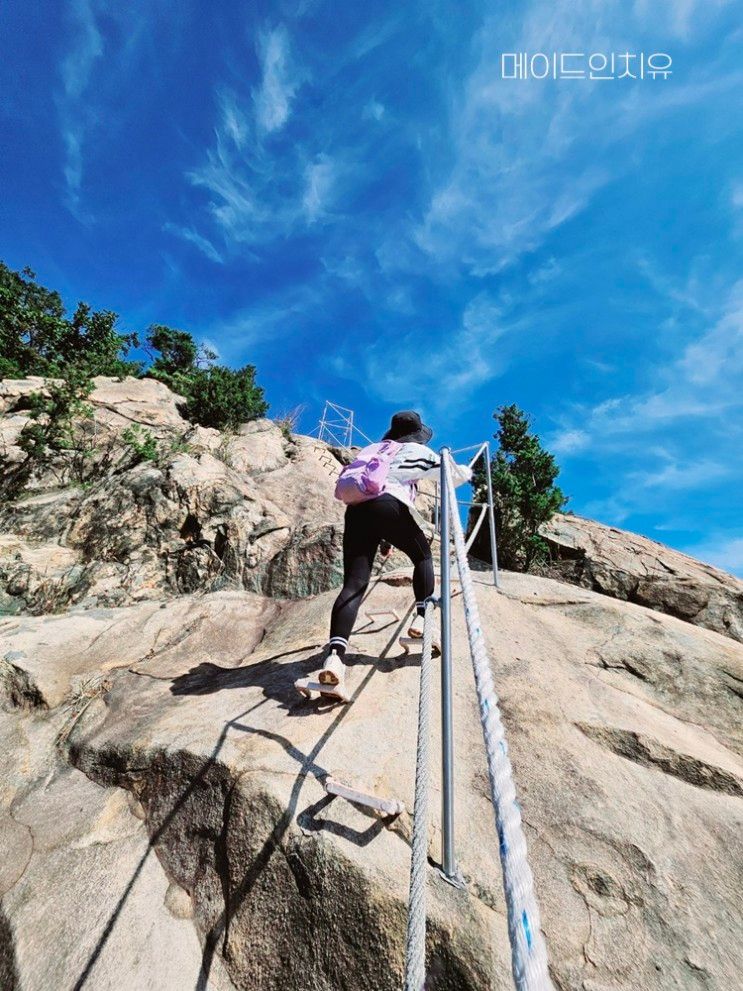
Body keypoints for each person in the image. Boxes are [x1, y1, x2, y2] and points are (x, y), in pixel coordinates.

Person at [298, 410, 471, 702]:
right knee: (423, 558)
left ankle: (335, 659)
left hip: (356, 512)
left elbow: (370, 487)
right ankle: (421, 620)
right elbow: (451, 476)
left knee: (353, 584)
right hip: (390, 506)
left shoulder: (372, 449)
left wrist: (383, 540)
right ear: (416, 434)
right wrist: (466, 470)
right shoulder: (416, 449)